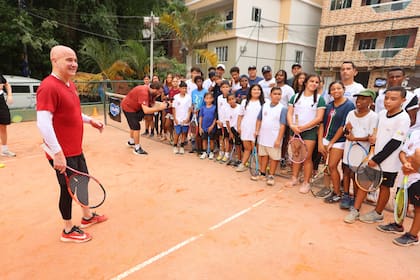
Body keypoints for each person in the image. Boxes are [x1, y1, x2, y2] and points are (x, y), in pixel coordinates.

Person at [36, 45, 107, 243]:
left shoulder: (69, 84)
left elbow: (74, 113)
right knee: (68, 190)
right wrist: (57, 153)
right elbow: (43, 123)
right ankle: (67, 230)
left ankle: (87, 217)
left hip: (75, 149)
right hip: (62, 153)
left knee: (82, 181)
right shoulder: (48, 86)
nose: (73, 63)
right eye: (68, 59)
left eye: (75, 60)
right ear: (54, 60)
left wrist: (90, 120)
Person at [345, 86, 410, 224]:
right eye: (386, 98)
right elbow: (375, 134)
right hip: (373, 158)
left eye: (393, 99)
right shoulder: (381, 114)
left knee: (384, 187)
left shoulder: (404, 119)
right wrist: (372, 148)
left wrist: (377, 159)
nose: (388, 101)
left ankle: (378, 213)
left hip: (389, 163)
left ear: (403, 100)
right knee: (364, 183)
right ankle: (355, 210)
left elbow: (395, 143)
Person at [375, 129, 420, 246]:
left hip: (417, 177)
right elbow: (402, 153)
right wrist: (405, 163)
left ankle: (413, 235)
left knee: (418, 207)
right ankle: (398, 225)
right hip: (405, 175)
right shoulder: (415, 133)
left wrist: (414, 168)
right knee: (402, 201)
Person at [286, 74, 326, 193]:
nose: (314, 84)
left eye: (316, 82)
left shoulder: (320, 99)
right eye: (311, 81)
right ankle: (294, 178)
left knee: (307, 158)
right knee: (296, 155)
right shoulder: (295, 97)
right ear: (305, 83)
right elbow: (289, 113)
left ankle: (306, 183)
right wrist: (292, 126)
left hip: (309, 132)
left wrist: (303, 127)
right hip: (294, 131)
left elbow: (319, 118)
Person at [340, 89, 378, 210]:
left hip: (362, 152)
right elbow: (346, 132)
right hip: (349, 149)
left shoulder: (374, 116)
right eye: (358, 98)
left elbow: (371, 137)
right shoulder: (351, 113)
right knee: (346, 172)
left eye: (363, 98)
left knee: (356, 176)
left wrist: (354, 138)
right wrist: (347, 130)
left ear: (371, 101)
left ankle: (356, 198)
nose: (359, 101)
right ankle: (346, 196)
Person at [318, 81, 355, 203]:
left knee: (332, 166)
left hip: (339, 141)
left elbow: (342, 127)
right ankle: (327, 188)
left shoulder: (349, 105)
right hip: (325, 138)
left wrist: (331, 143)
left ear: (343, 90)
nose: (336, 91)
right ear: (330, 92)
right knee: (326, 166)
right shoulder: (329, 105)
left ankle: (338, 193)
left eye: (338, 88)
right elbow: (322, 124)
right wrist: (321, 142)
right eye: (333, 89)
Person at [122, 82, 168, 155]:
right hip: (128, 107)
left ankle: (131, 141)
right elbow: (146, 110)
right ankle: (137, 148)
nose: (160, 94)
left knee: (133, 125)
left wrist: (165, 105)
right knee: (136, 126)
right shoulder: (144, 92)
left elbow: (152, 104)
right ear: (154, 89)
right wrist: (159, 108)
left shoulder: (152, 93)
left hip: (136, 107)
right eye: (159, 92)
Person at [254, 87, 287, 186]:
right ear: (270, 95)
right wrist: (256, 130)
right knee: (263, 156)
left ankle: (271, 176)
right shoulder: (264, 105)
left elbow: (282, 125)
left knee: (274, 158)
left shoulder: (283, 108)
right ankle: (262, 173)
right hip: (263, 137)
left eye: (279, 94)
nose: (277, 96)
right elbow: (259, 119)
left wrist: (278, 139)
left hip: (274, 138)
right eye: (275, 94)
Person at [236, 84, 265, 172]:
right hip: (246, 127)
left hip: (258, 129)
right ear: (250, 91)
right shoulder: (244, 102)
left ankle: (259, 167)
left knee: (256, 148)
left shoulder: (265, 102)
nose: (256, 91)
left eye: (258, 89)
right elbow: (240, 116)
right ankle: (243, 164)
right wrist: (239, 127)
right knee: (247, 148)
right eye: (254, 89)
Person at [275, 70, 295, 167]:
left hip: (285, 116)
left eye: (281, 75)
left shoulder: (288, 89)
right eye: (278, 75)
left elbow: (292, 104)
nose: (279, 77)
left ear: (285, 77)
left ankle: (283, 157)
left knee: (284, 138)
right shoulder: (273, 88)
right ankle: (274, 156)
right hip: (274, 117)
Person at [172, 81, 192, 154]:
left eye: (185, 88)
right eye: (183, 88)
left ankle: (182, 147)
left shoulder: (188, 97)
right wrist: (175, 118)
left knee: (184, 133)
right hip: (177, 118)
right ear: (179, 89)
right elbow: (173, 108)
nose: (184, 90)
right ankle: (175, 146)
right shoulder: (176, 97)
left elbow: (190, 109)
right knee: (177, 133)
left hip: (185, 118)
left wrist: (188, 118)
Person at [0, 74, 16, 157]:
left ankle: (4, 150)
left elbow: (6, 84)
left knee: (3, 125)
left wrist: (9, 95)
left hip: (1, 101)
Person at [215, 80, 231, 162]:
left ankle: (227, 154)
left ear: (230, 88)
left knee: (226, 139)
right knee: (221, 138)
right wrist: (217, 120)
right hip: (220, 122)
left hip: (227, 123)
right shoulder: (219, 98)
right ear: (220, 88)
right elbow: (218, 110)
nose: (225, 89)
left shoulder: (231, 98)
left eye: (227, 87)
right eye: (223, 87)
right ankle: (221, 152)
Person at [225, 92, 242, 166]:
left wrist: (240, 129)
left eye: (233, 99)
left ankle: (240, 159)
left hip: (239, 129)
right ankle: (232, 158)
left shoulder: (240, 107)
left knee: (239, 145)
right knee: (231, 144)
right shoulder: (226, 109)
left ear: (235, 99)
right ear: (227, 101)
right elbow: (227, 122)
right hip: (231, 129)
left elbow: (242, 118)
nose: (231, 101)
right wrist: (230, 132)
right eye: (229, 99)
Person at [199, 92, 217, 159]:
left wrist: (212, 126)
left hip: (211, 127)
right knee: (204, 140)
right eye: (207, 98)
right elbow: (201, 117)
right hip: (204, 126)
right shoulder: (202, 108)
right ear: (204, 99)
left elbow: (215, 118)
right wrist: (200, 127)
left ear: (212, 99)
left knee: (211, 140)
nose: (208, 100)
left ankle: (211, 152)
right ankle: (204, 152)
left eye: (210, 98)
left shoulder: (214, 108)